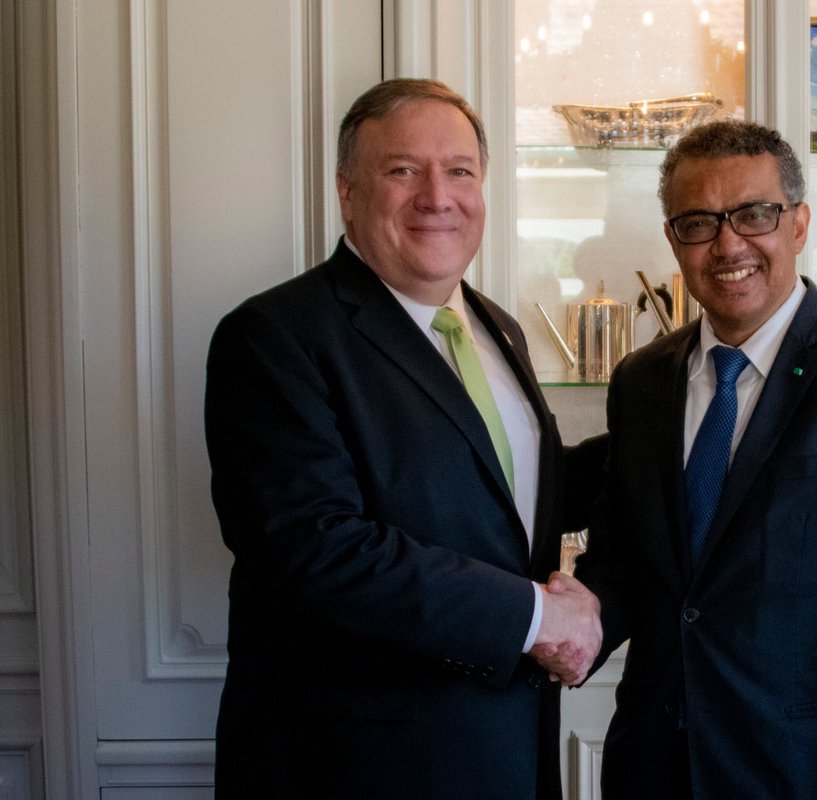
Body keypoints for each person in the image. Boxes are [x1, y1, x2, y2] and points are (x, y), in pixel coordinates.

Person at [205, 78, 601, 800]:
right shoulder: (274, 337)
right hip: (358, 766)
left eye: (460, 171)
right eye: (403, 170)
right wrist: (538, 616)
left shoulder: (497, 327)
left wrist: (668, 433)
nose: (437, 196)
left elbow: (504, 492)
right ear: (347, 190)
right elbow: (314, 548)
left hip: (508, 748)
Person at [576, 119, 817, 799]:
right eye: (699, 223)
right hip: (654, 770)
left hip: (809, 775)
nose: (729, 244)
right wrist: (567, 623)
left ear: (798, 224)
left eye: (755, 214)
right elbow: (623, 565)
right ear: (673, 239)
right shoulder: (641, 382)